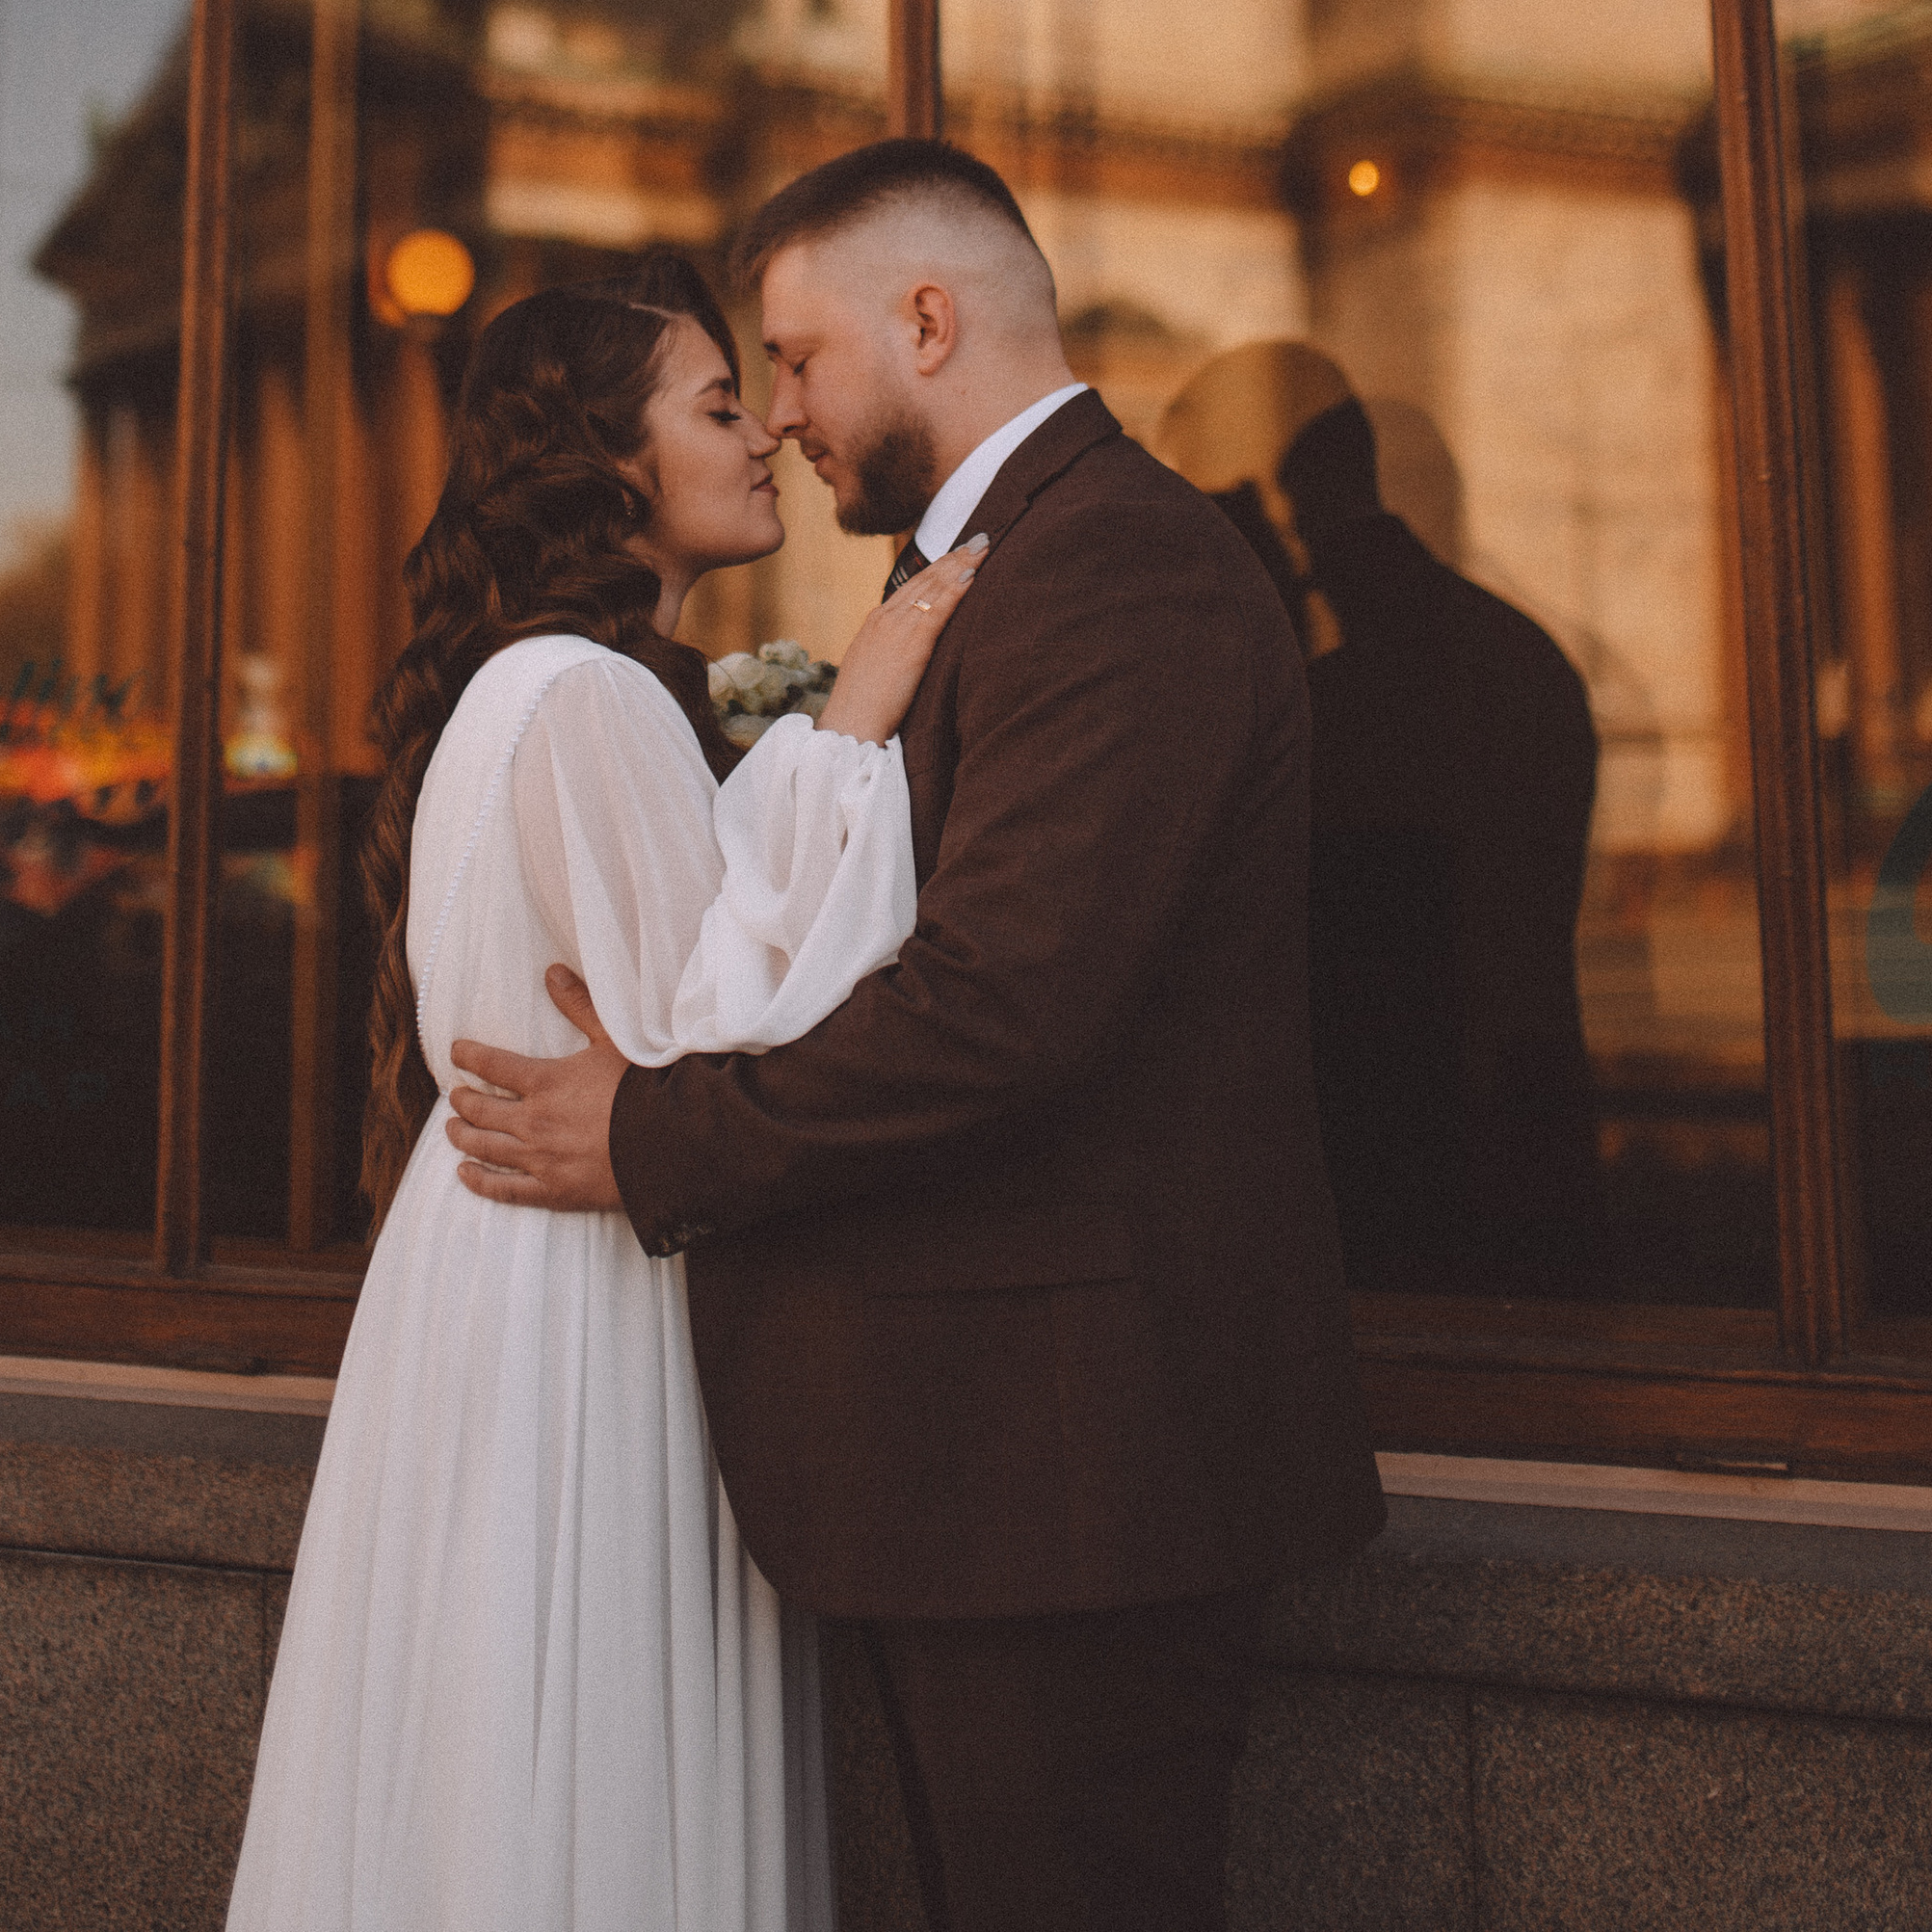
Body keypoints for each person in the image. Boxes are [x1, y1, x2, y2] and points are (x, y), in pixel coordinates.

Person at [447, 143, 1385, 1932]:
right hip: (988, 1473)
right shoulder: (993, 570)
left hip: (1076, 1477)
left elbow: (999, 1011)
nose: (783, 413)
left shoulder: (1116, 567)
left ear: (930, 322)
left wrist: (647, 1134)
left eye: (795, 360)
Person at [225, 258, 990, 1932]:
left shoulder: (549, 681)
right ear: (607, 459)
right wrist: (859, 708)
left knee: (506, 1756)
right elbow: (724, 1017)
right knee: (578, 1755)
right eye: (721, 405)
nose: (768, 435)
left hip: (519, 1262)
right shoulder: (579, 692)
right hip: (581, 1288)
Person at [1278, 388, 1612, 1300]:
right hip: (1507, 1084)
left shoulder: (1380, 689)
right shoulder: (1513, 654)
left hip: (1436, 1113)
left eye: (1318, 530)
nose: (1317, 564)